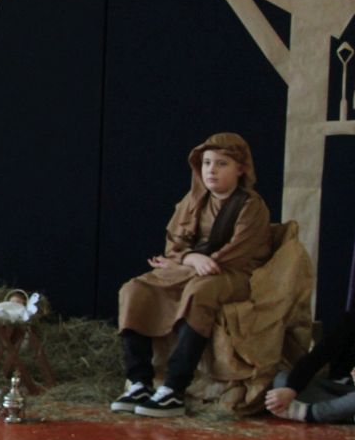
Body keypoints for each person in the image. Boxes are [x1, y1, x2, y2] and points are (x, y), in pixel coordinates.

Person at [112, 132, 271, 418]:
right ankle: (139, 382)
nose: (211, 170)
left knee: (200, 292)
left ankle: (174, 388)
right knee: (134, 289)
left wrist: (189, 262)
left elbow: (237, 253)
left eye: (221, 163)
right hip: (189, 268)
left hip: (232, 273)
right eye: (207, 163)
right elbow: (174, 243)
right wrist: (189, 258)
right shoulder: (194, 199)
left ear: (241, 168)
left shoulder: (251, 206)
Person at [264, 267, 355, 425]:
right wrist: (291, 389)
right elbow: (318, 356)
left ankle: (314, 413)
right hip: (343, 389)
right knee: (282, 379)